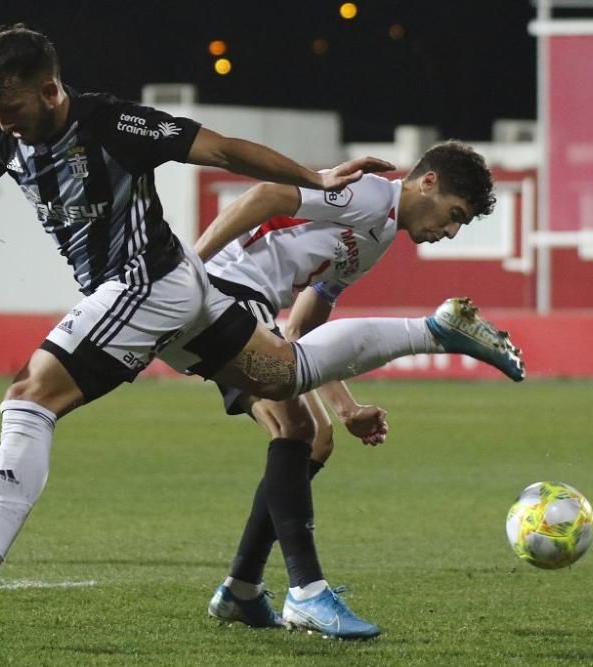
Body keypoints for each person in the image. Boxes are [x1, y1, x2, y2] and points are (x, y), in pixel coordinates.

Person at [0, 25, 522, 637]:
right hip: (189, 290)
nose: (5, 123)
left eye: (14, 108)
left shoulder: (113, 122)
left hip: (155, 281)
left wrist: (305, 182)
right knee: (288, 388)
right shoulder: (0, 135)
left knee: (32, 393)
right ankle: (430, 333)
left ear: (51, 89)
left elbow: (225, 151)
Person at [197, 141, 521, 637]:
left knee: (314, 435)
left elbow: (303, 328)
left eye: (462, 225)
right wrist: (188, 271)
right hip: (225, 293)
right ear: (427, 182)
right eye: (455, 215)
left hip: (242, 307)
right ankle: (305, 590)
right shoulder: (368, 195)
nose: (451, 231)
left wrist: (346, 408)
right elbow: (263, 197)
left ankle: (241, 589)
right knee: (296, 426)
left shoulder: (378, 237)